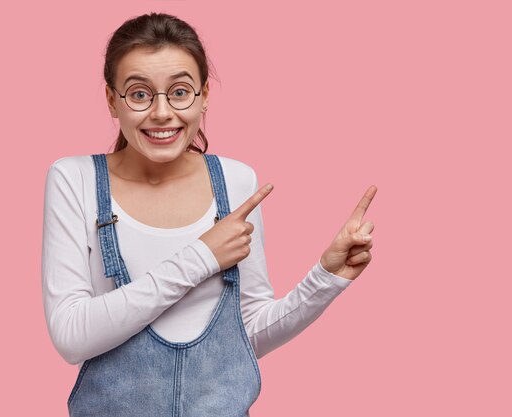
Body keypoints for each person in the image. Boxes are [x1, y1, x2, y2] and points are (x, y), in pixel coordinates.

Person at [41, 12, 377, 417]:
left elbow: (246, 333)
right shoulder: (74, 179)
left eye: (180, 92)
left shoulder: (236, 181)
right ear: (113, 100)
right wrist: (202, 256)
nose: (162, 113)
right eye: (140, 94)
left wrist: (325, 278)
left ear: (204, 96)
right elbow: (72, 335)